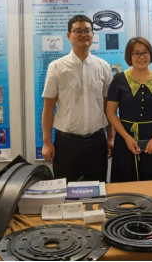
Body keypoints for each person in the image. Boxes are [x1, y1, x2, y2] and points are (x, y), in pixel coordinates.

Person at [41, 15, 114, 182]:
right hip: (66, 143)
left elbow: (107, 106)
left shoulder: (103, 66)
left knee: (98, 188)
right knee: (65, 190)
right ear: (69, 35)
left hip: (96, 142)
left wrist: (110, 137)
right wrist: (47, 142)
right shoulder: (57, 67)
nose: (83, 35)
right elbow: (48, 108)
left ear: (93, 34)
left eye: (87, 30)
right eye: (78, 31)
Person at [106, 37, 152, 182]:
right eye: (136, 53)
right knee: (125, 183)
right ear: (129, 56)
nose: (141, 57)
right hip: (125, 138)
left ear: (150, 54)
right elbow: (110, 112)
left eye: (145, 52)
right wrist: (126, 137)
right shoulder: (119, 79)